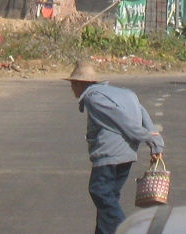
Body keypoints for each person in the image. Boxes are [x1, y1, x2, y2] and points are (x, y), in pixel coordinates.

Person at [65, 60, 165, 234]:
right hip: (128, 155)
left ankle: (128, 230)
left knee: (100, 192)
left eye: (72, 84)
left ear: (79, 83)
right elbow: (144, 116)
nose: (72, 89)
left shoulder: (93, 98)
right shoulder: (126, 93)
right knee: (108, 200)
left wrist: (145, 137)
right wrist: (156, 144)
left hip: (109, 156)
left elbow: (121, 119)